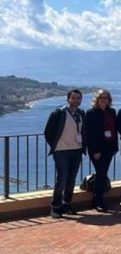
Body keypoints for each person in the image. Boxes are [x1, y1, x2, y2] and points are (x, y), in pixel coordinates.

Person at [44, 89, 87, 217]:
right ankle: (55, 207)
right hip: (61, 151)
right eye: (73, 98)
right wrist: (56, 145)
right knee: (62, 179)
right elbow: (48, 132)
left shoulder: (80, 113)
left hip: (76, 150)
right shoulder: (59, 113)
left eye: (78, 98)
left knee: (71, 180)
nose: (76, 100)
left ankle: (66, 203)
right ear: (68, 99)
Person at [84, 89, 118, 212]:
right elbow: (90, 134)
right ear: (97, 99)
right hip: (97, 149)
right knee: (101, 173)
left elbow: (114, 130)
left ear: (109, 100)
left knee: (103, 173)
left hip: (109, 148)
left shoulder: (112, 111)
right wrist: (95, 150)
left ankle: (97, 199)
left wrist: (115, 147)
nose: (103, 100)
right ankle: (98, 200)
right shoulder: (90, 113)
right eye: (101, 97)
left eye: (106, 98)